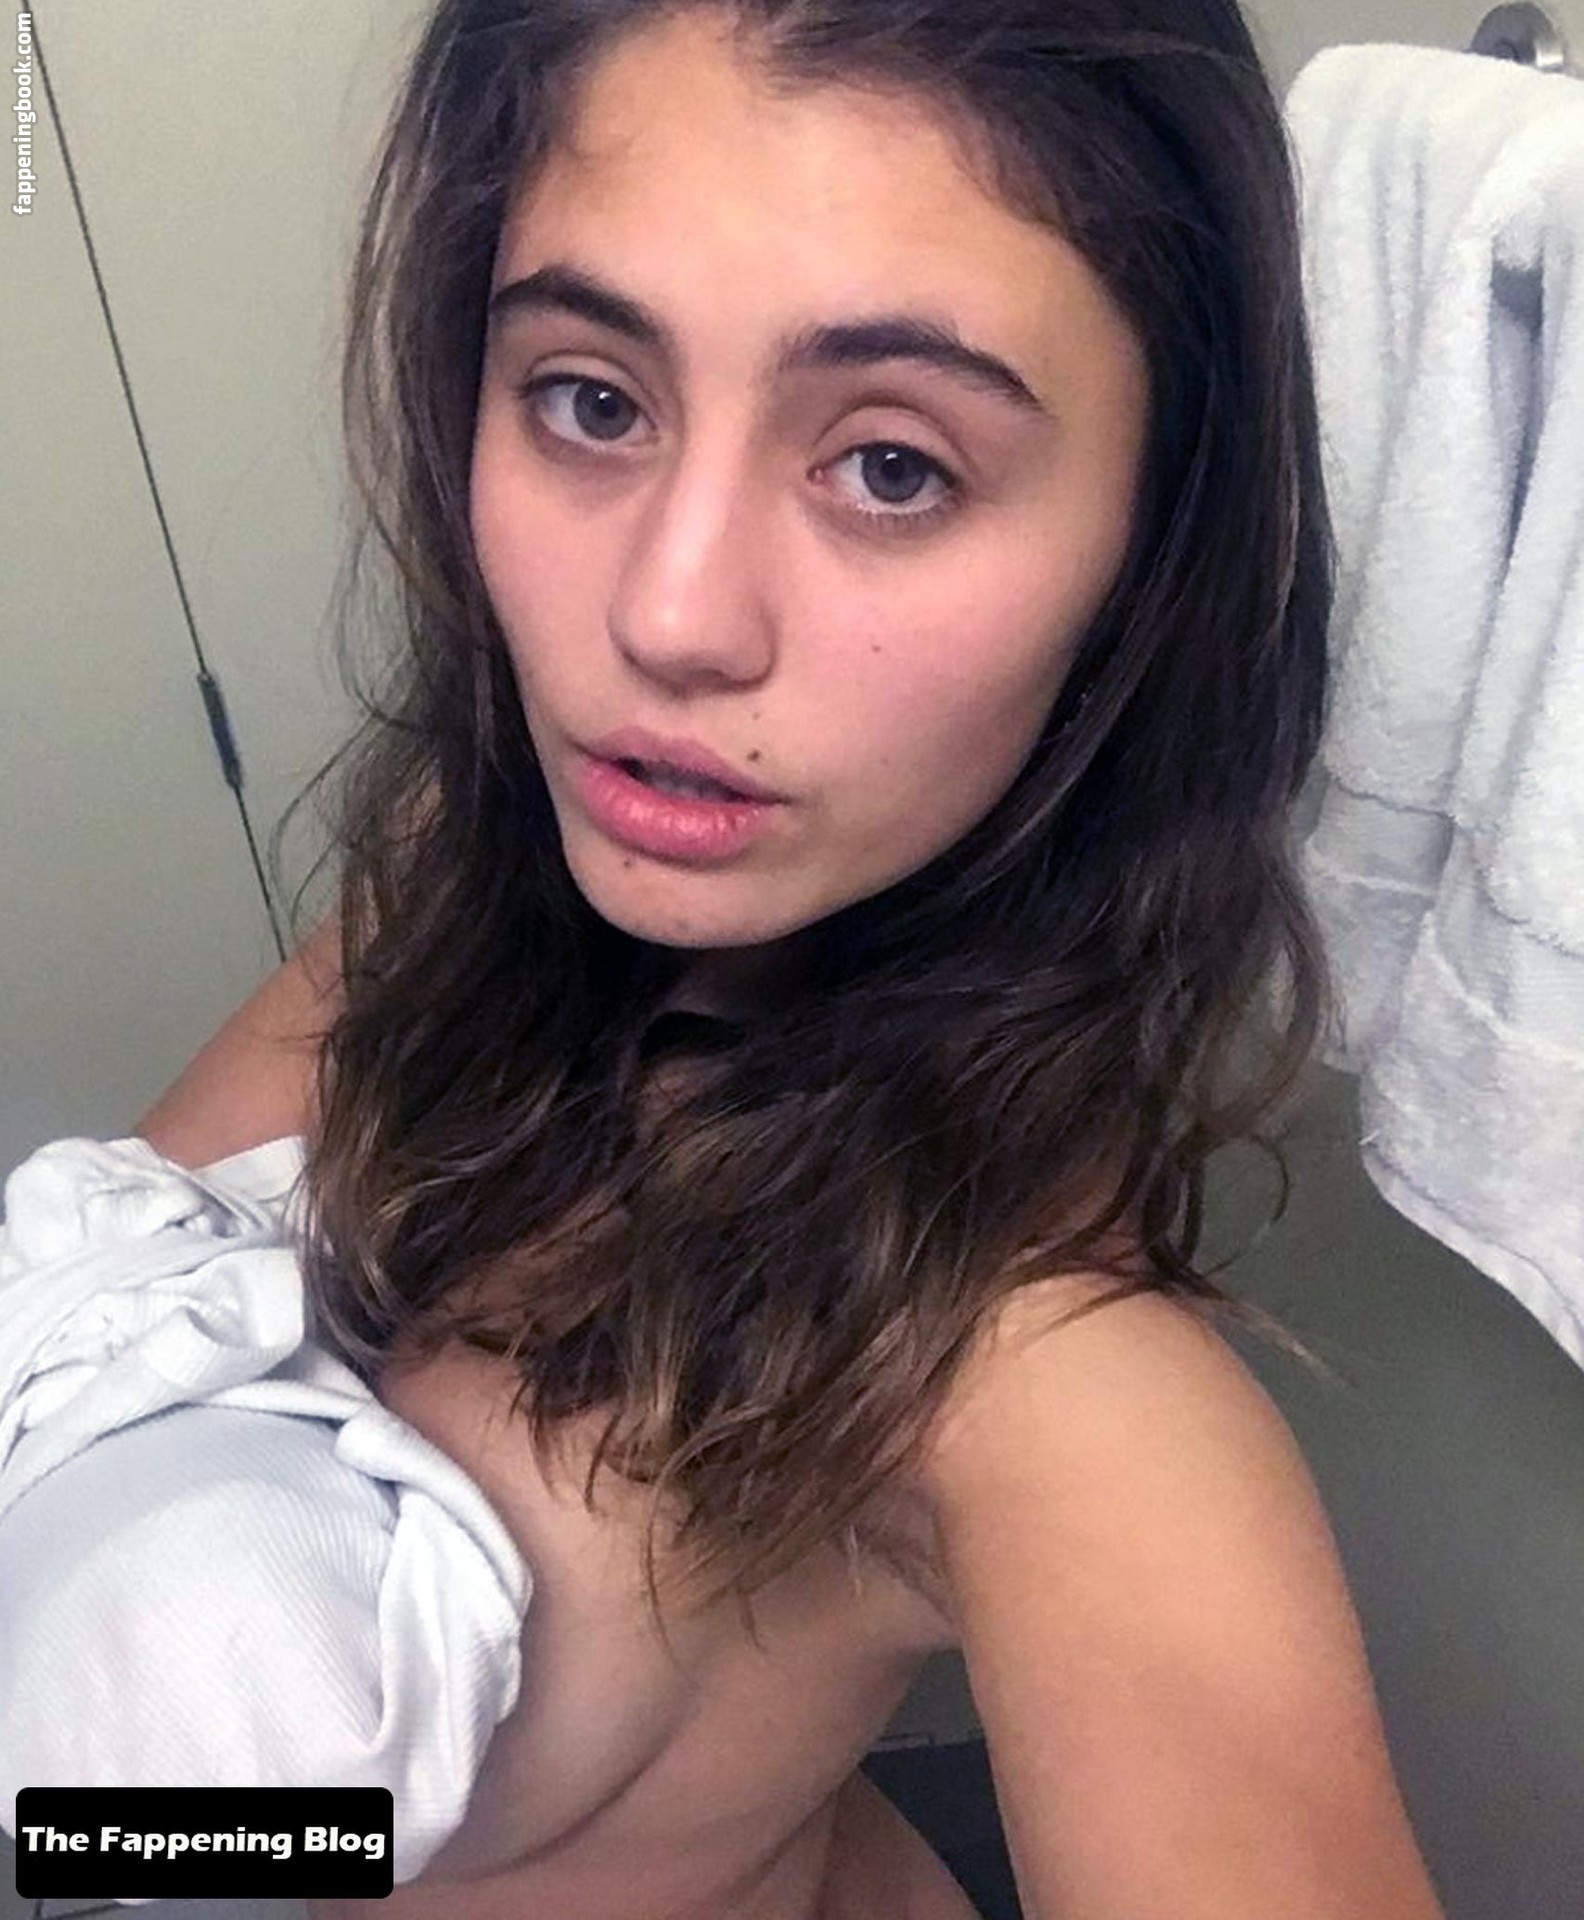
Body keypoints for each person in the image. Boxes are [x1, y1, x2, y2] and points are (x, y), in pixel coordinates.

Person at [126, 1, 1449, 1915]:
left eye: (893, 467)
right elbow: (99, 1320)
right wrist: (108, 1829)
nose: (670, 618)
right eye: (592, 399)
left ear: (1144, 557)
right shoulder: (456, 897)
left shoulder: (1054, 1403)